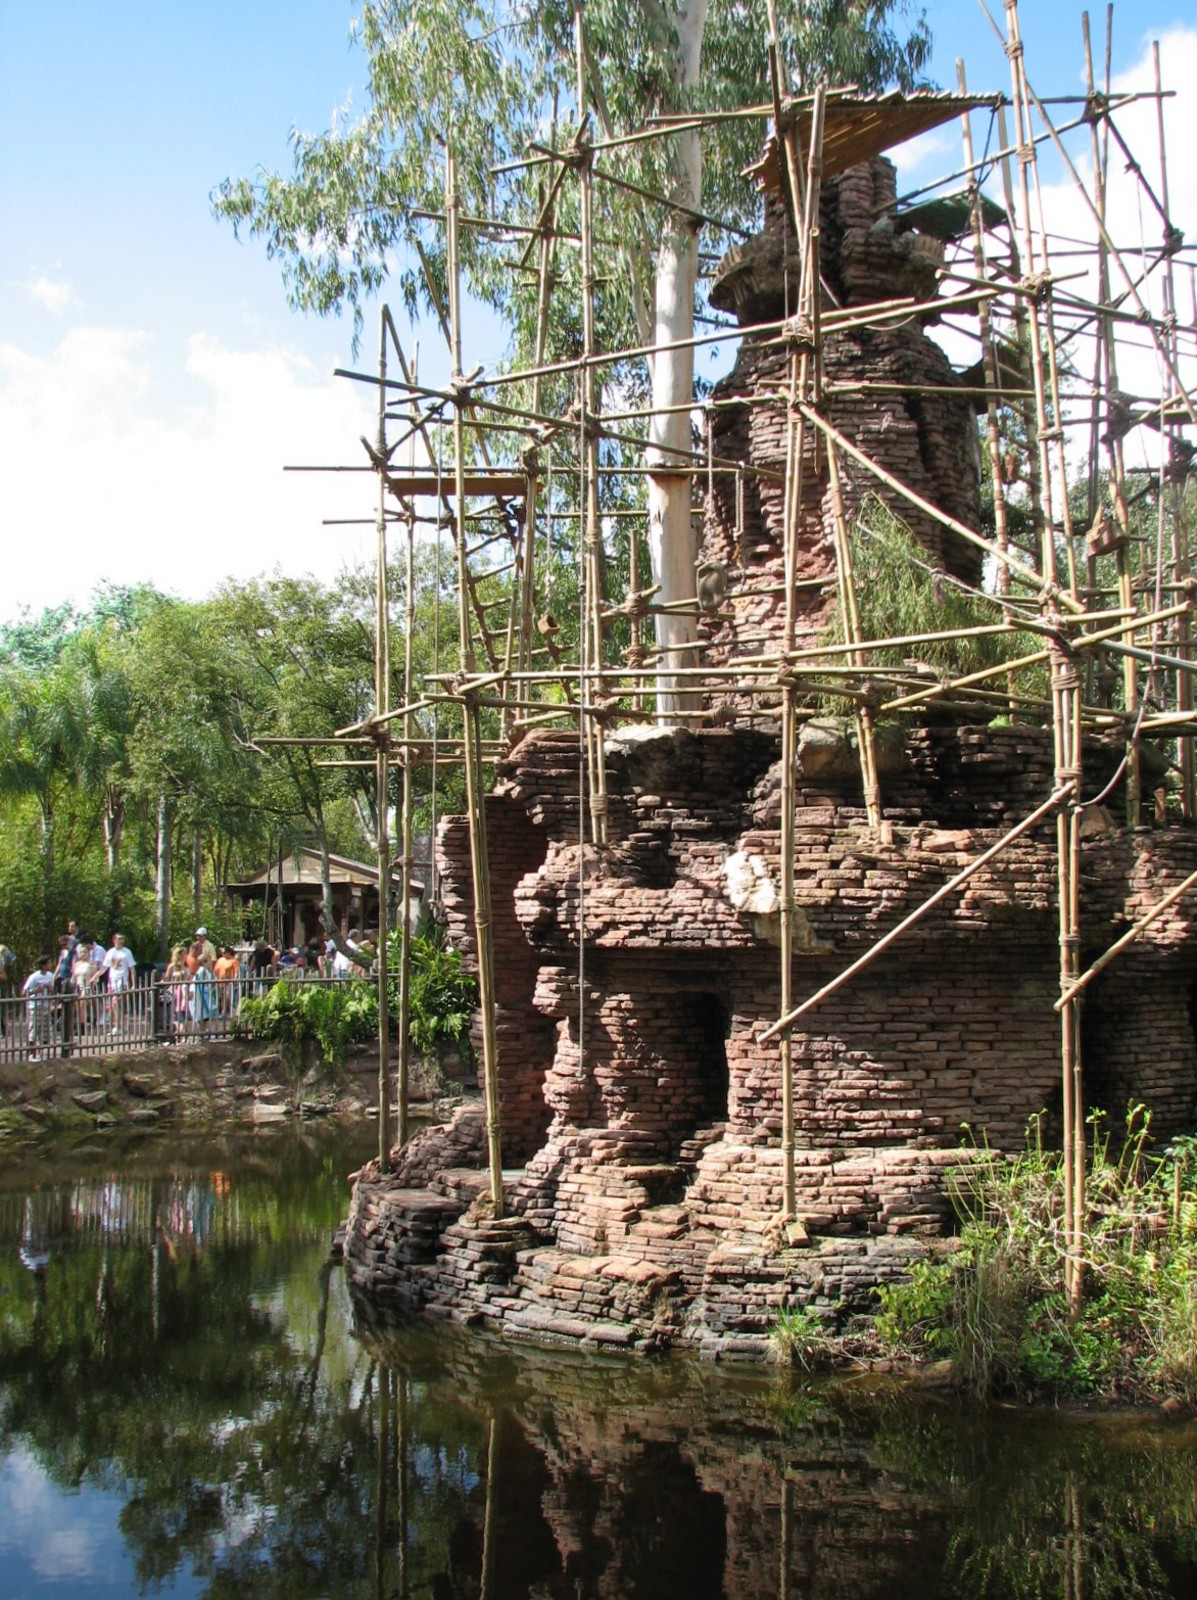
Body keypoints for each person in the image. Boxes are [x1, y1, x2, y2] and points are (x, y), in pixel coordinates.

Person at [101, 933, 137, 1033]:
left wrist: (133, 984)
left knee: (117, 1003)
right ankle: (118, 1026)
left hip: (122, 981)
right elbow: (104, 968)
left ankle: (117, 1026)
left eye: (123, 939)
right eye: (119, 938)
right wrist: (95, 977)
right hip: (112, 982)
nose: (121, 940)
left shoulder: (127, 952)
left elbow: (132, 969)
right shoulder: (110, 952)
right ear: (114, 940)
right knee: (113, 1005)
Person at [22, 956, 55, 1061]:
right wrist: (36, 990)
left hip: (45, 1006)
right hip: (35, 1007)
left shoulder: (50, 975)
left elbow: (53, 991)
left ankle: (41, 1054)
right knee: (33, 1031)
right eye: (49, 963)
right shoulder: (34, 977)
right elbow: (24, 992)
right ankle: (32, 1054)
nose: (50, 965)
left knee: (45, 1032)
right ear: (43, 965)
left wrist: (50, 989)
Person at [165, 946, 190, 1037]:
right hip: (174, 993)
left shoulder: (186, 967)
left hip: (184, 993)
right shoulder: (172, 966)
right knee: (175, 1015)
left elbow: (189, 981)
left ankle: (181, 1034)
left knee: (184, 1015)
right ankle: (179, 1034)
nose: (186, 956)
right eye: (184, 954)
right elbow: (166, 980)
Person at [214, 946, 240, 1014]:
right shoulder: (220, 960)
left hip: (229, 982)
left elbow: (236, 971)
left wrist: (235, 980)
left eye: (224, 953)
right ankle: (223, 1011)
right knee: (222, 997)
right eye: (222, 953)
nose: (223, 954)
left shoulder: (234, 961)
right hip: (220, 982)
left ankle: (232, 1011)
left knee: (228, 996)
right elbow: (215, 970)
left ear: (228, 953)